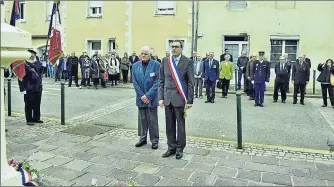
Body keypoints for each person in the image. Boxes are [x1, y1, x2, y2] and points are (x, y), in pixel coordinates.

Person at [159, 40, 194, 159]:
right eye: (172, 46)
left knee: (180, 124)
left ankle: (180, 148)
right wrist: (160, 98)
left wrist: (189, 100)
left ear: (181, 48)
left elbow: (190, 82)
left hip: (180, 98)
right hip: (168, 98)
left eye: (176, 47)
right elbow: (161, 81)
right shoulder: (165, 61)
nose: (174, 49)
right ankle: (171, 147)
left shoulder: (187, 62)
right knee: (169, 125)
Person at [132, 46, 160, 149]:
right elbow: (135, 82)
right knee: (142, 119)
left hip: (151, 98)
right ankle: (143, 138)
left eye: (145, 54)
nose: (143, 55)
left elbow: (158, 81)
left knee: (152, 120)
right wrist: (142, 96)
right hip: (140, 98)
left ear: (150, 55)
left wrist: (148, 95)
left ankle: (154, 140)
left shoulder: (156, 65)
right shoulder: (135, 66)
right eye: (142, 53)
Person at [18, 49, 43, 125]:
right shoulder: (24, 64)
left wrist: (43, 66)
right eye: (31, 54)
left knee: (37, 103)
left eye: (33, 54)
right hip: (28, 87)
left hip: (38, 87)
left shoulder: (38, 63)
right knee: (29, 104)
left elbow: (41, 73)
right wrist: (22, 88)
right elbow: (20, 76)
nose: (32, 55)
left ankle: (36, 118)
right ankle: (29, 119)